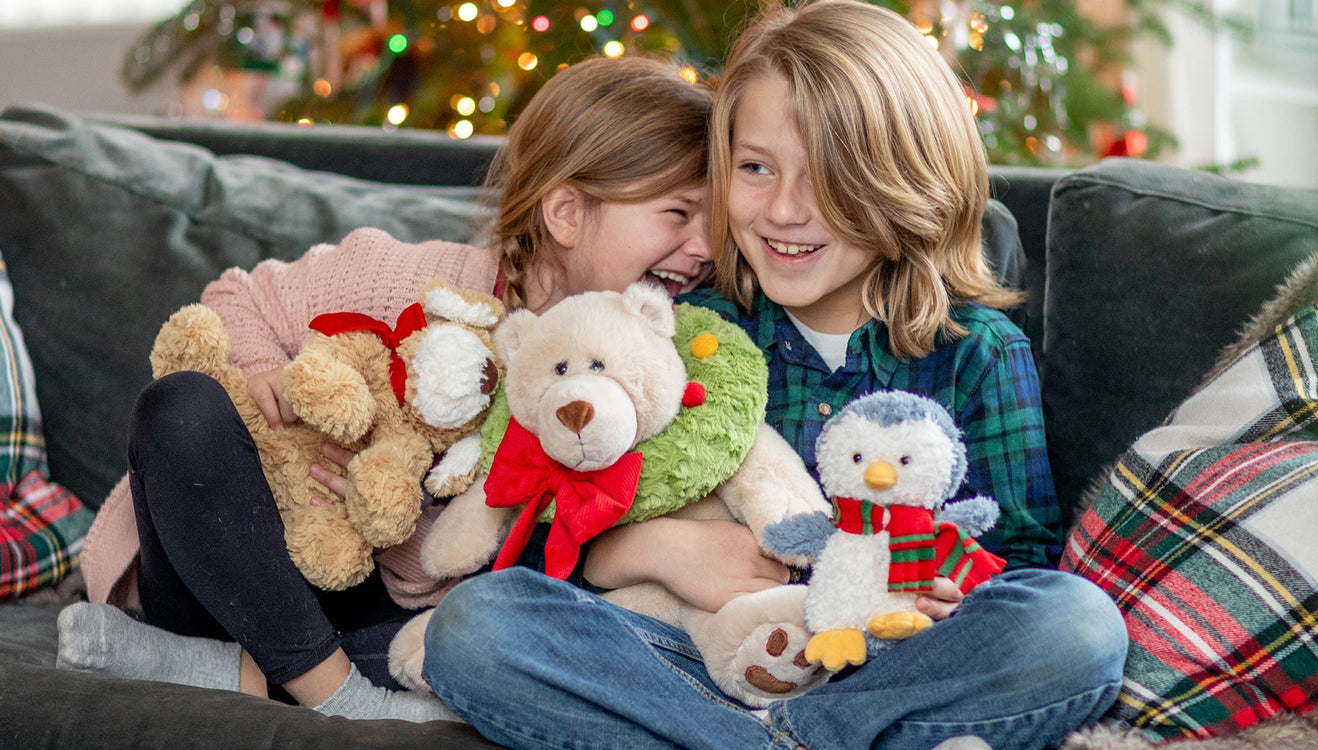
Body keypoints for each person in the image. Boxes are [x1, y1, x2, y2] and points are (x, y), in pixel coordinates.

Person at [420, 2, 1129, 748]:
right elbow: (549, 520)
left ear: (906, 177)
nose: (786, 210)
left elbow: (1018, 567)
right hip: (695, 665)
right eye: (756, 168)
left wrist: (949, 586)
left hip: (886, 674)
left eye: (827, 177)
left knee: (1076, 625)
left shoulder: (978, 352)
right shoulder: (692, 327)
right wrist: (644, 550)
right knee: (479, 626)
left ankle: (792, 737)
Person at [55, 54, 715, 723]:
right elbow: (236, 297)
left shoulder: (646, 372)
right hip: (227, 579)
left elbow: (512, 570)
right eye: (680, 213)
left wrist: (398, 524)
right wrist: (269, 388)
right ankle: (337, 698)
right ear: (567, 213)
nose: (704, 246)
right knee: (181, 409)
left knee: (481, 631)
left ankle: (236, 675)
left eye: (713, 222)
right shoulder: (417, 278)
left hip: (380, 620)